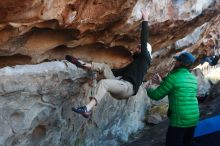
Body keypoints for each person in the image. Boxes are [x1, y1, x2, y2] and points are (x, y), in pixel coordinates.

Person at [65, 7, 152, 118]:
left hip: (127, 88)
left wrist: (145, 18)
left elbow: (144, 40)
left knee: (104, 83)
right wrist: (94, 69)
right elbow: (115, 72)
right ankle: (83, 64)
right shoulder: (135, 65)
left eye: (138, 48)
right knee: (105, 68)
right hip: (121, 85)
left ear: (144, 51)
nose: (136, 49)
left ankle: (87, 109)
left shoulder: (145, 59)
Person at [145, 51, 199, 146]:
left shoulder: (173, 77)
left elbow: (156, 95)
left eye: (177, 61)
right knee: (187, 143)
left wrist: (148, 88)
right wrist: (162, 82)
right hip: (193, 116)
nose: (175, 62)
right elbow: (178, 90)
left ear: (181, 63)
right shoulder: (193, 78)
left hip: (180, 119)